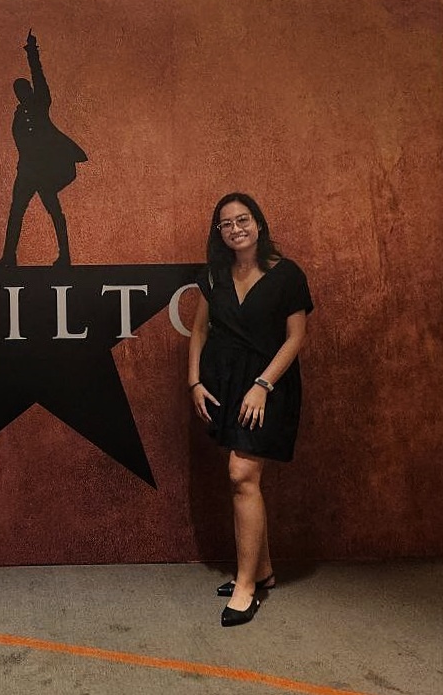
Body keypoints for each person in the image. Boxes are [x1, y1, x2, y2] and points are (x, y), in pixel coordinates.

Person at [187, 192, 312, 627]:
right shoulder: (214, 275)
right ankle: (263, 571)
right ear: (218, 232)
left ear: (258, 223)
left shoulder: (287, 274)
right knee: (246, 479)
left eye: (242, 220)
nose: (235, 228)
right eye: (226, 223)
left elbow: (296, 337)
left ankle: (245, 587)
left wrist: (262, 385)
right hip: (224, 384)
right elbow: (199, 331)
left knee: (241, 474)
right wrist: (194, 381)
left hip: (268, 386)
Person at [0, 30, 88, 267]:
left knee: (54, 211)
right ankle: (9, 257)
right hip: (26, 171)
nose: (22, 93)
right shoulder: (18, 115)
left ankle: (65, 255)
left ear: (30, 90)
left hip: (44, 170)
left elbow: (38, 75)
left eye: (25, 89)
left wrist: (32, 51)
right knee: (16, 212)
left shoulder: (40, 103)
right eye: (19, 91)